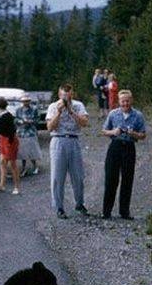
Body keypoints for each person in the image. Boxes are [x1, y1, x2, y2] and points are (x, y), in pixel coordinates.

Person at [46, 83, 90, 219]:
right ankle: (59, 207)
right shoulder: (53, 106)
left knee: (78, 175)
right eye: (63, 95)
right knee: (57, 177)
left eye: (68, 95)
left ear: (72, 94)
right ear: (59, 95)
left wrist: (71, 111)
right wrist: (59, 112)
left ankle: (79, 203)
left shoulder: (78, 105)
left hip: (73, 139)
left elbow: (84, 123)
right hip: (58, 140)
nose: (66, 98)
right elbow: (49, 127)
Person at [101, 89, 146, 220]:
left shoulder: (138, 115)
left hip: (129, 147)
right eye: (123, 101)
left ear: (131, 100)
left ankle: (124, 211)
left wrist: (134, 134)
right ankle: (106, 211)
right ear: (119, 101)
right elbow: (104, 130)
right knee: (111, 179)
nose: (125, 103)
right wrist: (113, 132)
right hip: (115, 147)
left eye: (127, 101)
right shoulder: (113, 114)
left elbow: (143, 134)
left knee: (127, 179)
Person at [0, 97, 21, 194]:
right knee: (3, 162)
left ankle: (16, 187)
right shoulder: (6, 115)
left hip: (9, 140)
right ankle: (2, 185)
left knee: (12, 164)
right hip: (4, 139)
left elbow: (11, 131)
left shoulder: (6, 116)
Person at [15, 94, 42, 176]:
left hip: (31, 132)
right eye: (24, 101)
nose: (25, 103)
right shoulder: (18, 110)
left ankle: (35, 166)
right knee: (23, 152)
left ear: (29, 101)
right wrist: (21, 122)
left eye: (27, 101)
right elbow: (16, 119)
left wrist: (30, 122)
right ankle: (24, 168)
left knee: (32, 150)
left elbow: (37, 119)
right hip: (21, 132)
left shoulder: (34, 109)